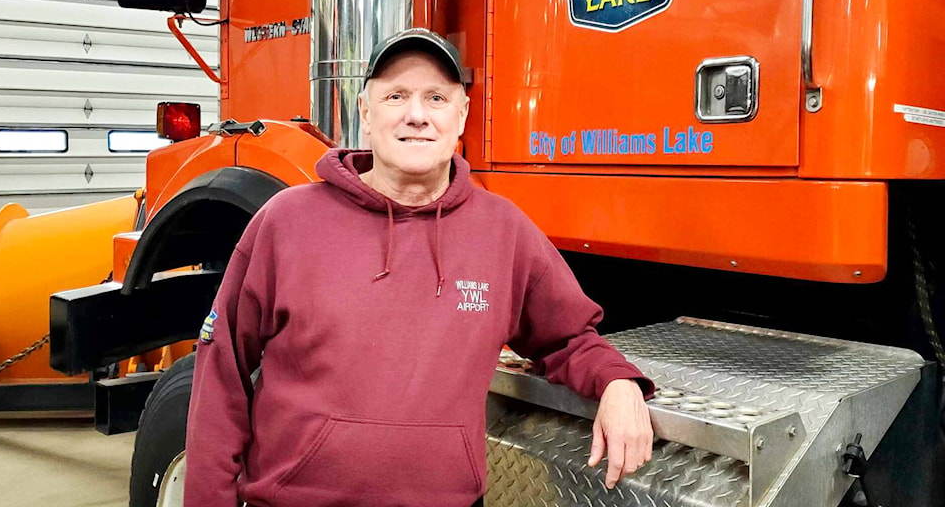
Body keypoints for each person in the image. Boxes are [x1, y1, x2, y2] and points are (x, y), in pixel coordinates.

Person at [184, 28, 655, 507]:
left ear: (461, 116)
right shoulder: (286, 222)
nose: (416, 116)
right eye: (396, 96)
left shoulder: (503, 232)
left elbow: (568, 337)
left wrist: (617, 383)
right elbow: (222, 374)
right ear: (365, 113)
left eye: (436, 98)